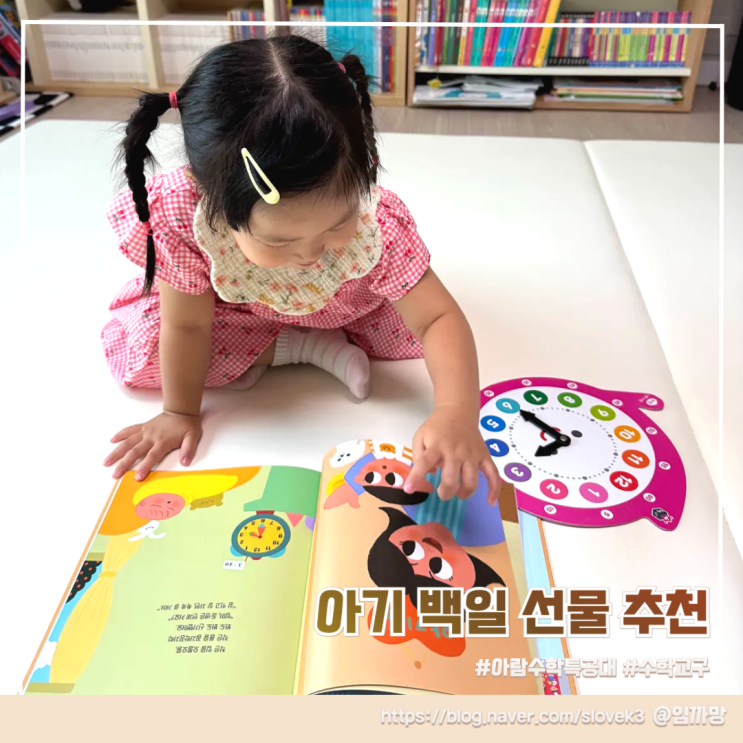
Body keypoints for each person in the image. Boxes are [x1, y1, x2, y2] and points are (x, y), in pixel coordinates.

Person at [101, 35, 500, 506]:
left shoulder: (377, 225)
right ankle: (301, 346)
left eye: (337, 224)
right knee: (148, 348)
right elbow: (187, 325)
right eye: (279, 241)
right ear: (210, 199)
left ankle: (303, 338)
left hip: (349, 307)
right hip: (239, 310)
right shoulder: (181, 212)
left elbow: (437, 318)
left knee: (416, 339)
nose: (312, 255)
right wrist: (179, 413)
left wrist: (456, 412)